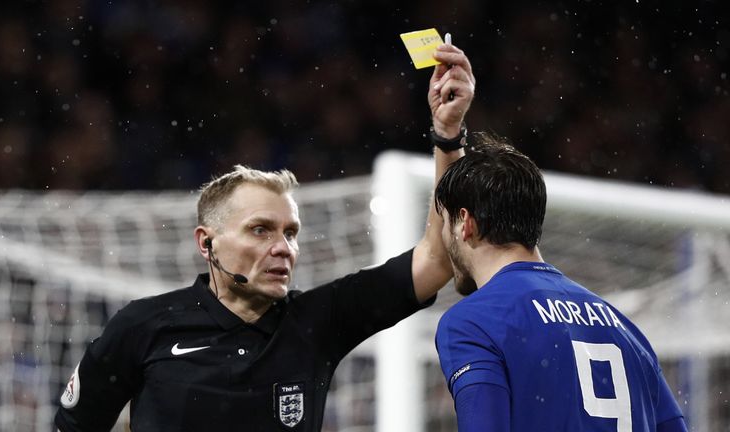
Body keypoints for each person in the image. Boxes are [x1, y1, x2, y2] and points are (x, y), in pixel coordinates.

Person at [54, 42, 474, 431]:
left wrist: (448, 135)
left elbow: (438, 258)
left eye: (290, 233)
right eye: (260, 230)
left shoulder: (318, 320)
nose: (283, 248)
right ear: (207, 243)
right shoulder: (143, 326)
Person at [433, 133, 688, 432]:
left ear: (465, 223)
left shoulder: (473, 322)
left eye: (444, 222)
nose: (442, 236)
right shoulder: (625, 330)